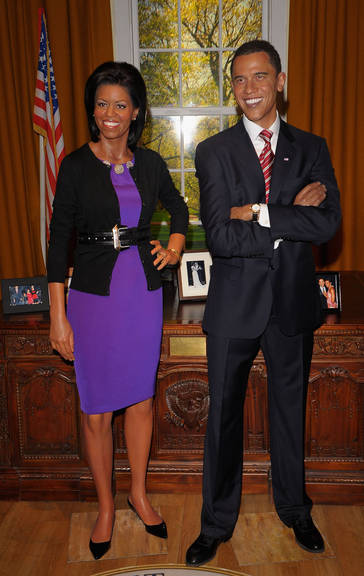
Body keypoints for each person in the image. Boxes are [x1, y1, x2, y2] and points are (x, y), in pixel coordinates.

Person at [186, 39, 341, 567]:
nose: (249, 88)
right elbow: (220, 238)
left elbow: (327, 222)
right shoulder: (213, 152)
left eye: (259, 77)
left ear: (281, 80)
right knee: (223, 417)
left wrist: (256, 213)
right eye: (239, 79)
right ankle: (215, 524)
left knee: (288, 414)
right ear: (233, 89)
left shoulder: (313, 147)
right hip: (234, 306)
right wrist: (283, 212)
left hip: (293, 304)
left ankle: (296, 510)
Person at [47, 61, 188, 561]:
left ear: (135, 113)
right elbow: (57, 241)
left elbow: (179, 208)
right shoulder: (75, 166)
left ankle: (139, 493)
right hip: (90, 299)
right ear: (93, 111)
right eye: (102, 103)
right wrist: (56, 314)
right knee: (97, 410)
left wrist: (173, 246)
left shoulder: (149, 164)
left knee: (142, 402)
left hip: (141, 296)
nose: (110, 113)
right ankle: (106, 506)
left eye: (120, 105)